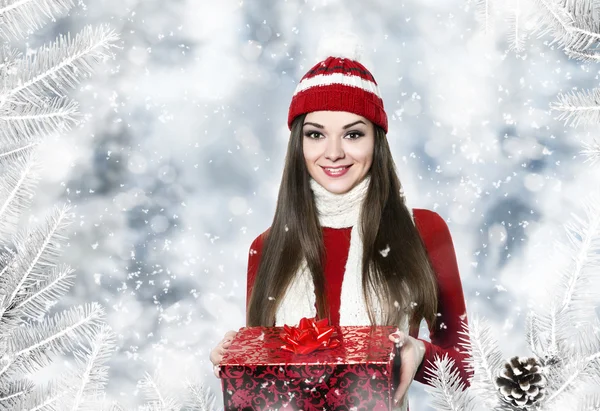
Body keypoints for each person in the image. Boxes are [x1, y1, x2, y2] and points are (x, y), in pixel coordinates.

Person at [210, 45, 473, 411]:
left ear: (376, 141)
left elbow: (466, 367)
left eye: (352, 134)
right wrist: (237, 360)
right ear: (298, 144)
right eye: (316, 134)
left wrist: (417, 353)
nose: (333, 152)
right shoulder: (266, 247)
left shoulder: (423, 230)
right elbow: (269, 380)